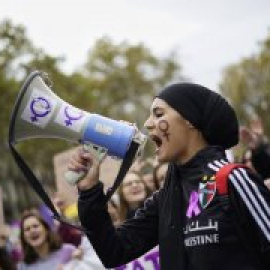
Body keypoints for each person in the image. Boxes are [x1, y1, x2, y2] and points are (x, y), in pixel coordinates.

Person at [68, 83, 270, 269]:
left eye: (158, 114)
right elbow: (114, 252)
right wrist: (89, 190)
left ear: (190, 120)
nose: (148, 124)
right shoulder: (165, 199)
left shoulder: (232, 179)